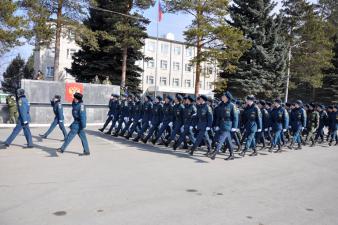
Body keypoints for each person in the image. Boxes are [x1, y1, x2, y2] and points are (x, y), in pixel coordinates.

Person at [209, 91, 238, 160]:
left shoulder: (232, 105)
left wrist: (234, 127)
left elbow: (235, 117)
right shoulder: (221, 105)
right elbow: (218, 116)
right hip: (221, 124)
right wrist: (217, 125)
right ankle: (232, 154)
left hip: (228, 125)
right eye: (222, 96)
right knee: (228, 140)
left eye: (223, 96)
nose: (222, 97)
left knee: (221, 139)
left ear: (227, 98)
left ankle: (215, 153)